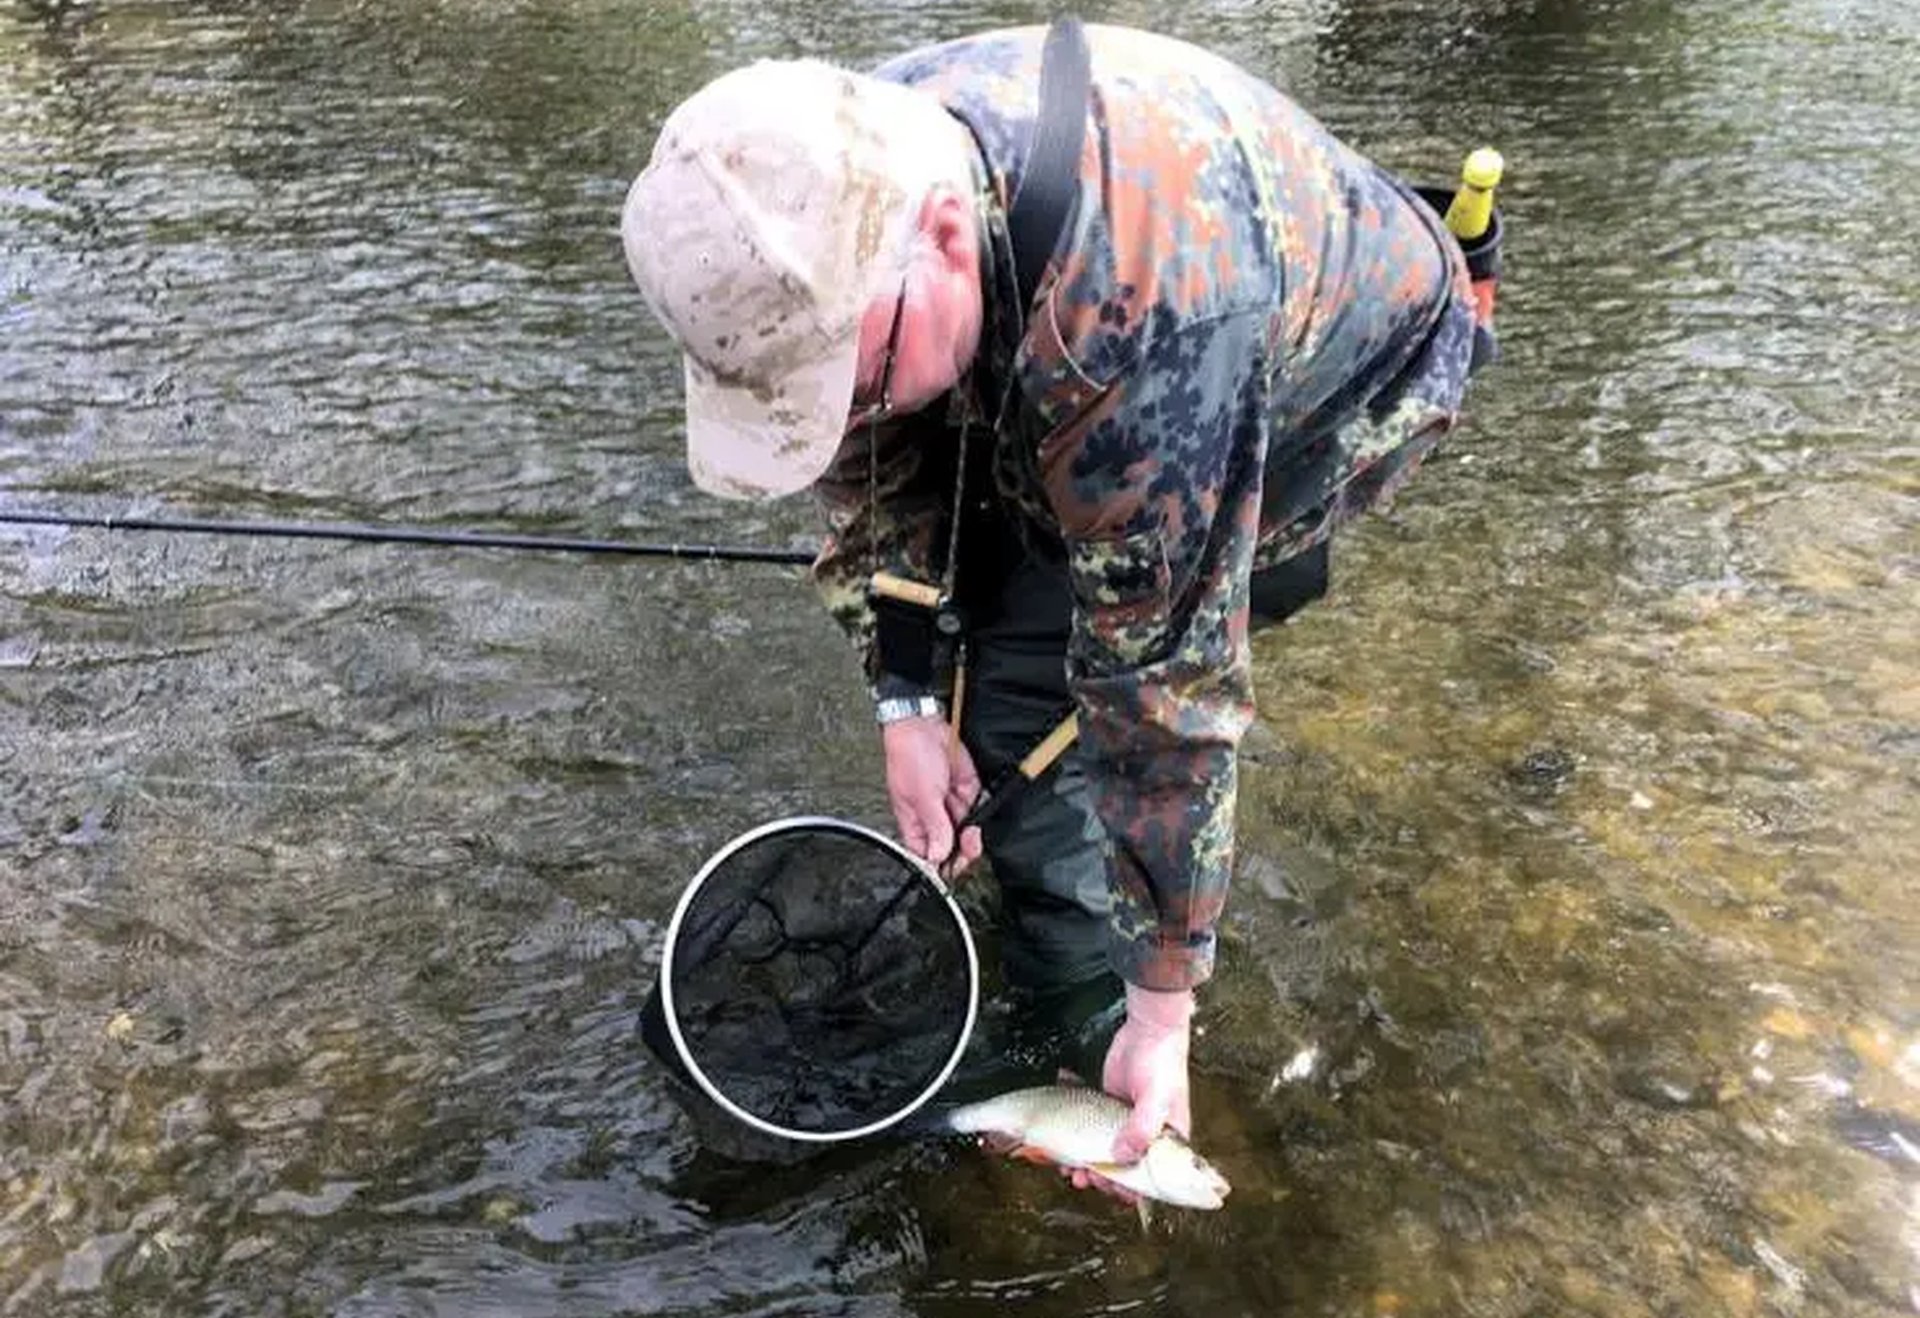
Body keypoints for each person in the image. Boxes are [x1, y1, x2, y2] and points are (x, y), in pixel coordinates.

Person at [620, 22, 1487, 1179]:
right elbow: (877, 456)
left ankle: (1094, 1011)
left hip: (1332, 384)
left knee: (1071, 685)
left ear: (936, 239)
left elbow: (1166, 700)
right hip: (1090, 339)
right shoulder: (823, 180)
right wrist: (906, 698)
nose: (833, 411)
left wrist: (1161, 1006)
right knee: (994, 611)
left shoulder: (1144, 333)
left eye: (844, 382)